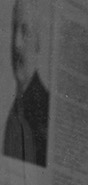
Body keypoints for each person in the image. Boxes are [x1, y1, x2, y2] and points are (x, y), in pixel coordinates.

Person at [3, 0, 47, 168]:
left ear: (38, 42)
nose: (16, 44)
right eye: (14, 29)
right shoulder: (14, 111)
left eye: (25, 31)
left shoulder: (44, 107)